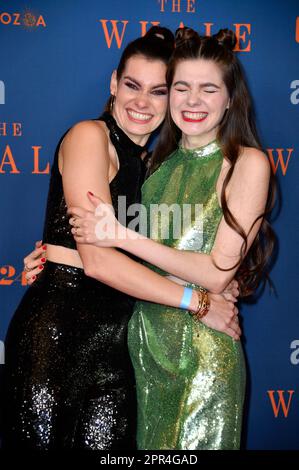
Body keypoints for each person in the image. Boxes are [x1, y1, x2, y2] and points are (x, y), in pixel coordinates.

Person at [3, 27, 240, 450]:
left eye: (159, 91)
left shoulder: (155, 167)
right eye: (132, 85)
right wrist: (199, 302)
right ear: (114, 84)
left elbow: (168, 251)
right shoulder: (89, 136)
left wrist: (212, 281)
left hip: (123, 347)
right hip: (59, 335)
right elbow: (98, 261)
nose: (141, 102)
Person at [65, 28, 275, 450]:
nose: (192, 101)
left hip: (202, 354)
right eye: (181, 87)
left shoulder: (247, 163)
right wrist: (55, 253)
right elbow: (135, 260)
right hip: (143, 353)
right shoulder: (156, 165)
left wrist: (121, 234)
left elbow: (216, 275)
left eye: (208, 89)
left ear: (230, 98)